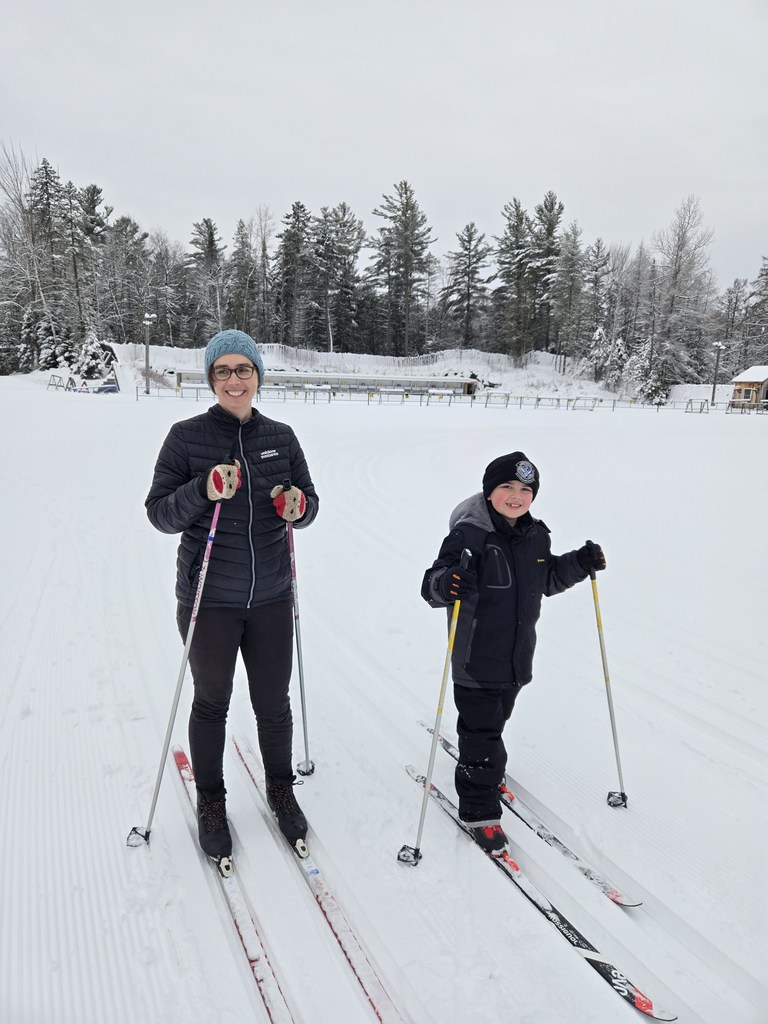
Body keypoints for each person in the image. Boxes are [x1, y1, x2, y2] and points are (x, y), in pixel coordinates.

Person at [145, 329, 319, 861]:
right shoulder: (185, 437)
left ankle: (281, 789)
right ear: (211, 379)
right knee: (212, 702)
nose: (234, 379)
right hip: (209, 599)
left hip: (269, 595)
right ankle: (212, 801)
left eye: (244, 369)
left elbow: (309, 503)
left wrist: (297, 505)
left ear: (258, 376)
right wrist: (202, 489)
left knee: (273, 703)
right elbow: (159, 514)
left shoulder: (282, 437)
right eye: (223, 371)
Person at [421, 451, 605, 855]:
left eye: (525, 489)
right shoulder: (468, 535)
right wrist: (447, 583)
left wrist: (578, 563)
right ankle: (478, 809)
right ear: (489, 492)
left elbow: (547, 579)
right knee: (481, 737)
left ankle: (487, 769)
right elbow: (431, 584)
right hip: (474, 660)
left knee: (495, 723)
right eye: (507, 486)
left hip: (516, 660)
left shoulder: (536, 535)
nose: (516, 496)